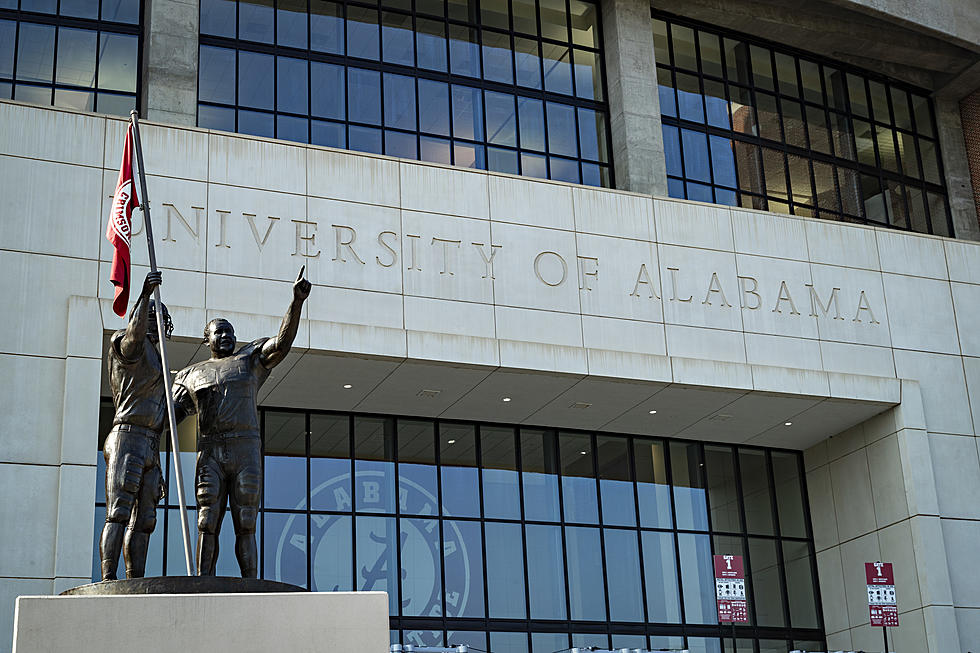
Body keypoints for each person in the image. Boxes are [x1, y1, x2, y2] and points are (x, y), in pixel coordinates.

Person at [173, 267, 311, 576]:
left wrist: (296, 302)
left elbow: (281, 344)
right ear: (206, 338)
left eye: (230, 331)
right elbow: (168, 419)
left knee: (245, 522)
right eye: (219, 331)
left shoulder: (249, 359)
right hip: (210, 451)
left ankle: (251, 584)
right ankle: (202, 581)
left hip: (245, 448)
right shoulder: (190, 374)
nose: (226, 336)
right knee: (207, 521)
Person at [100, 270, 172, 580]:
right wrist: (144, 295)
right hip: (127, 437)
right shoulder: (127, 346)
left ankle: (134, 577)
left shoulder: (159, 358)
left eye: (161, 314)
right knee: (118, 512)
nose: (158, 319)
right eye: (152, 314)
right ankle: (107, 576)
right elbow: (134, 336)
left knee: (145, 519)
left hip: (149, 443)